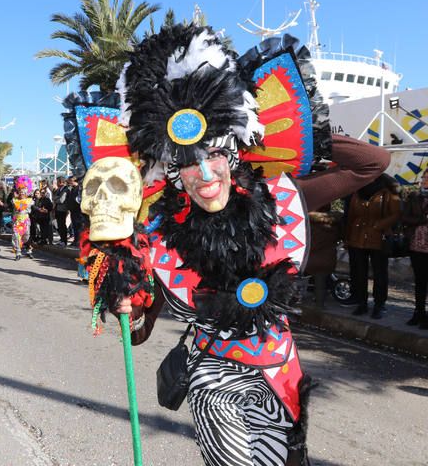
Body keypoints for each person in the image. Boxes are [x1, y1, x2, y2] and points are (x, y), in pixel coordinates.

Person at [85, 25, 389, 466]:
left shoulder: (283, 198)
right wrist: (126, 301)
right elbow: (140, 319)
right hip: (215, 380)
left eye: (213, 155)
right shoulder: (157, 233)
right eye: (187, 163)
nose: (205, 176)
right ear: (172, 174)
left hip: (282, 374)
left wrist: (293, 136)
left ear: (231, 155)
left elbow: (373, 163)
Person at [344, 174, 400, 319]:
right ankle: (362, 303)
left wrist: (379, 226)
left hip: (378, 237)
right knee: (360, 273)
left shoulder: (387, 193)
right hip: (358, 237)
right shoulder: (357, 192)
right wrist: (348, 237)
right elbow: (351, 216)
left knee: (380, 273)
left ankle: (379, 304)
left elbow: (396, 214)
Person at [401, 170, 428, 328]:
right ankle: (418, 313)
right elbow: (404, 217)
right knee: (419, 281)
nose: (425, 180)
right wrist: (422, 220)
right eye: (424, 177)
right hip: (416, 245)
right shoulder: (414, 197)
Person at [305, 206, 343, 308]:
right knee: (321, 282)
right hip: (328, 259)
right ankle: (320, 305)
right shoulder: (335, 223)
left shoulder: (309, 222)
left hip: (310, 258)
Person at [12, 175, 34, 260]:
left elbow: (29, 206)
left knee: (26, 237)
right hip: (17, 221)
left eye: (23, 192)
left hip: (25, 221)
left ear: (26, 193)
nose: (21, 193)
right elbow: (17, 207)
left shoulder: (30, 201)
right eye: (20, 191)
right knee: (16, 236)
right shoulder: (15, 200)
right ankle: (18, 252)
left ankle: (26, 248)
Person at [54, 176, 69, 246]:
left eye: (57, 182)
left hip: (62, 210)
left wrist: (56, 199)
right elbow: (54, 197)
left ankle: (64, 240)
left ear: (61, 182)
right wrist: (57, 198)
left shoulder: (66, 189)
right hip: (57, 209)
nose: (56, 183)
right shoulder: (58, 189)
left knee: (62, 225)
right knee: (59, 225)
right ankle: (61, 239)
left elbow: (61, 200)